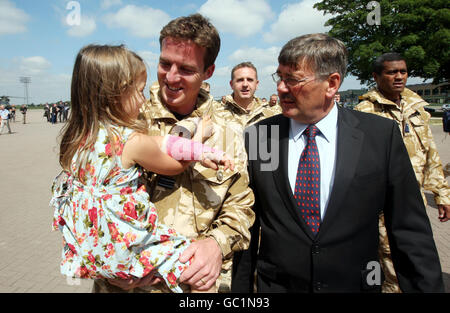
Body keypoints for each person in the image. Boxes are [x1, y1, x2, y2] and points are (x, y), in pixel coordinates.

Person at [231, 33, 444, 293]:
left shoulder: (379, 136)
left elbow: (409, 232)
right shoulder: (261, 136)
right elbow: (247, 225)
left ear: (332, 84)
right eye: (280, 77)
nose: (281, 88)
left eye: (293, 79)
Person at [51, 44, 234, 293]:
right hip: (128, 243)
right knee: (200, 276)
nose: (142, 98)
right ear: (112, 94)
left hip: (95, 248)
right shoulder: (131, 141)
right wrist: (199, 141)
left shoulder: (77, 139)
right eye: (137, 91)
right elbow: (174, 165)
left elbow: (162, 141)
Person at [93, 14, 255, 293]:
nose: (171, 77)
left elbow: (241, 206)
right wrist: (102, 262)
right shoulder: (126, 117)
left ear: (209, 72)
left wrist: (216, 244)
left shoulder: (228, 131)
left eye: (186, 69)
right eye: (165, 63)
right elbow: (86, 196)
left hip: (195, 287)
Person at [354, 53, 450, 292]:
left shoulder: (416, 107)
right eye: (391, 72)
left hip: (413, 200)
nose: (399, 77)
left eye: (403, 72)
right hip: (380, 205)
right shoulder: (363, 111)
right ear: (376, 77)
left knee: (414, 259)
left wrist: (441, 193)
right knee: (387, 264)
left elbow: (431, 153)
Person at [220, 62, 281, 131]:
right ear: (231, 84)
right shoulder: (216, 114)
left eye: (250, 80)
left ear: (256, 84)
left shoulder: (271, 116)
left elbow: (274, 141)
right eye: (240, 80)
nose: (245, 84)